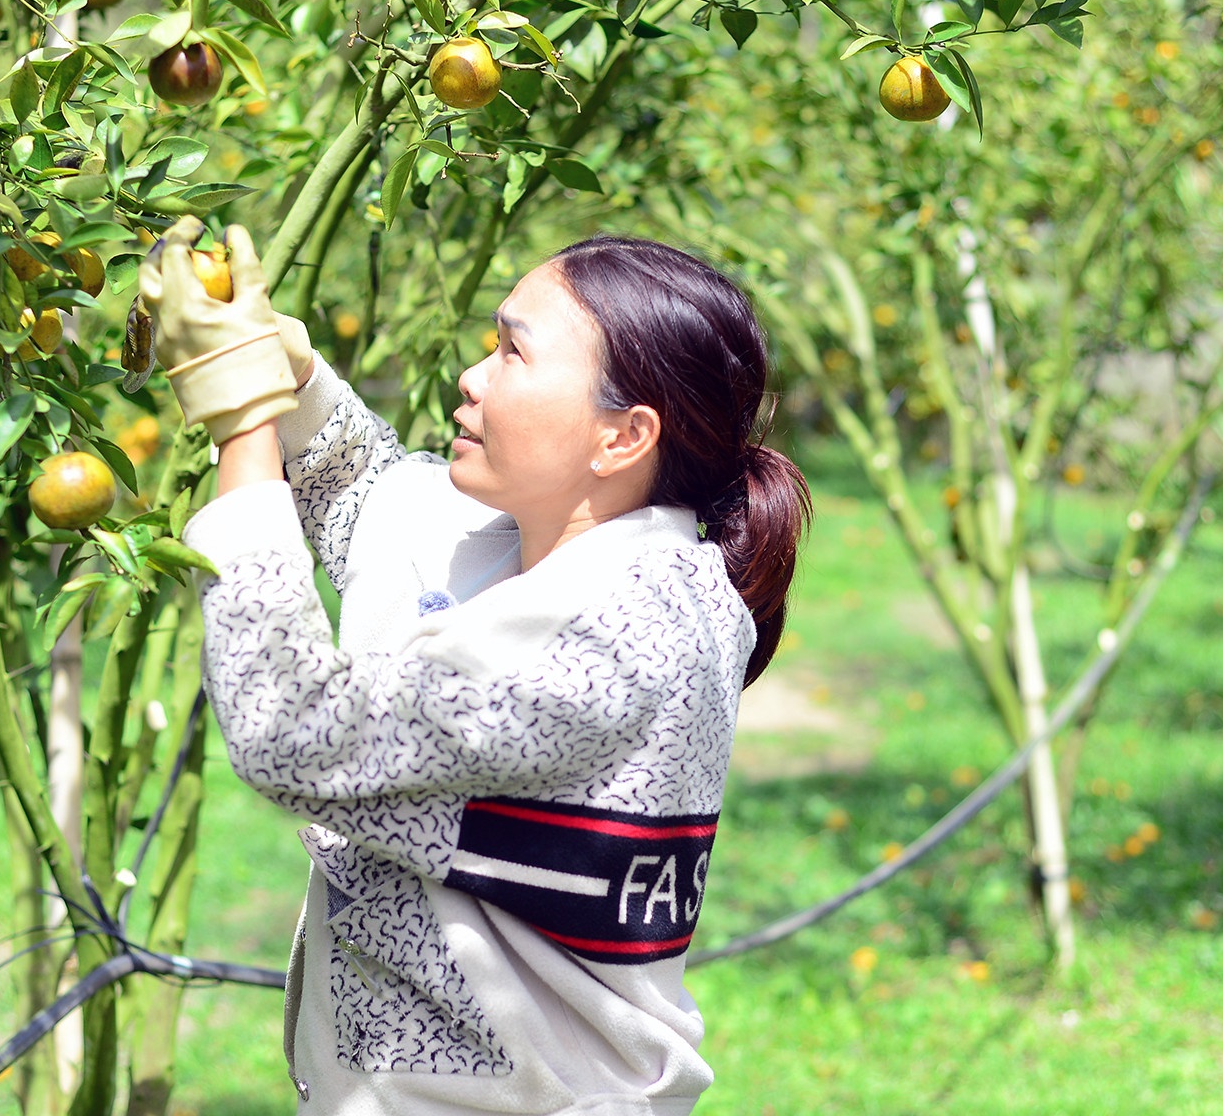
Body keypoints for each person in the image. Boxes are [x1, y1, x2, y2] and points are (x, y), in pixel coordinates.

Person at [141, 217, 810, 1114]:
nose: (472, 374)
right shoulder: (549, 546)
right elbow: (368, 494)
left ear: (621, 438)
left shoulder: (613, 635)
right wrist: (286, 373)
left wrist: (241, 416)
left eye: (512, 353)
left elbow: (294, 729)